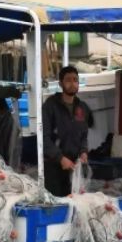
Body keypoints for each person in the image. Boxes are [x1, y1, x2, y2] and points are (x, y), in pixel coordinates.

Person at [42, 65, 92, 197]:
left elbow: (84, 136)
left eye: (75, 80)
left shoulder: (82, 108)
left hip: (74, 167)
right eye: (68, 80)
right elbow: (43, 138)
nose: (72, 83)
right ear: (60, 83)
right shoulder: (50, 106)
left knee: (75, 204)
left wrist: (83, 152)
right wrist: (60, 158)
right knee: (57, 205)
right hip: (54, 167)